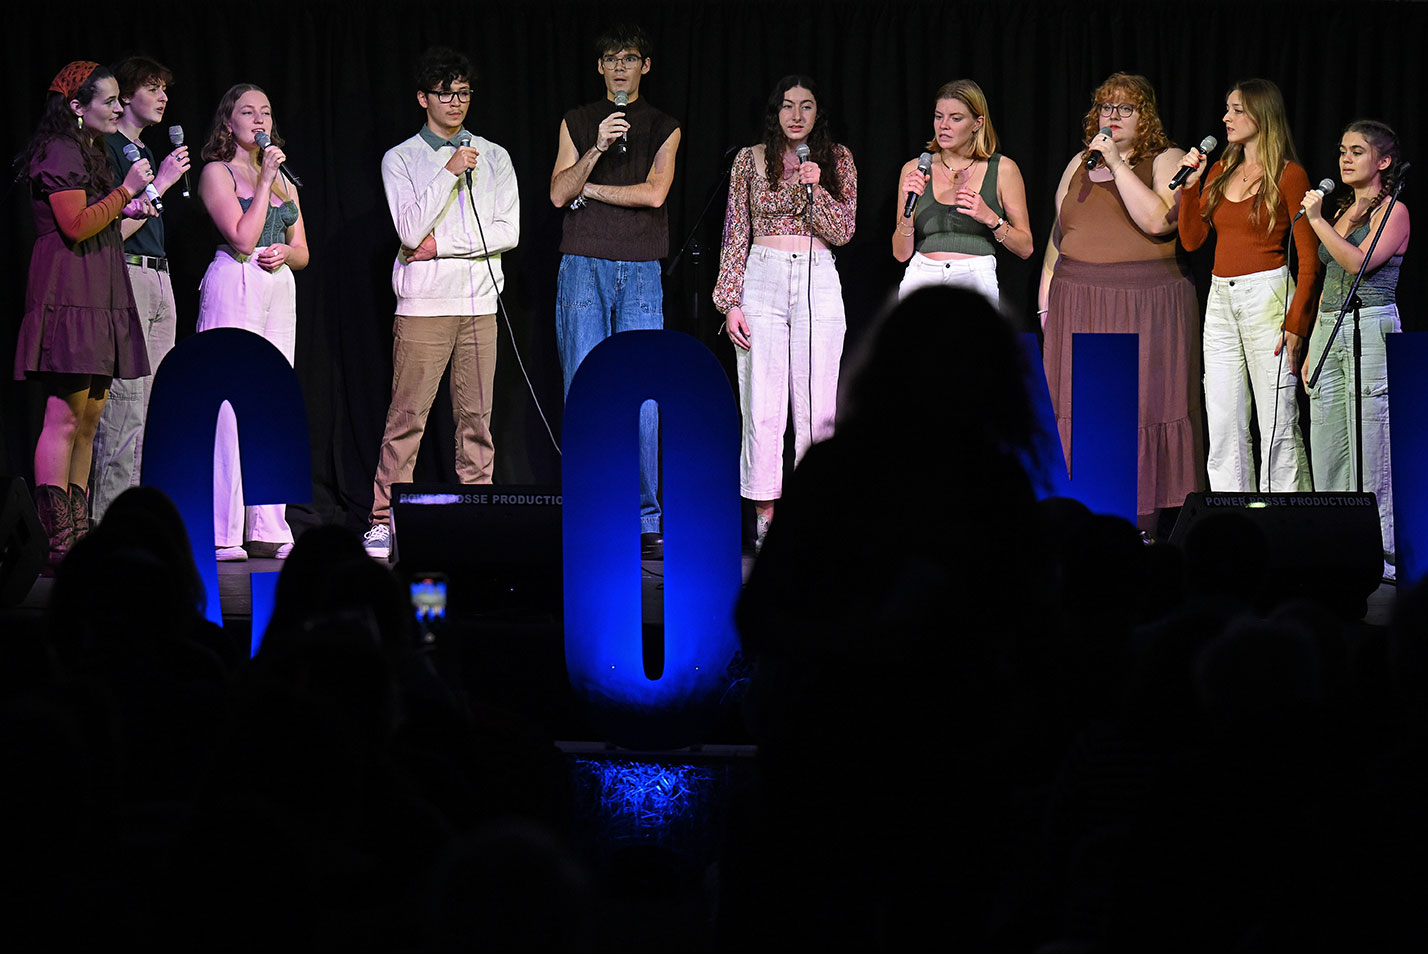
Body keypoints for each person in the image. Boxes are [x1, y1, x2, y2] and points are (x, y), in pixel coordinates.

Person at [361, 48, 519, 561]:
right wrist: (449, 171)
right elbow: (409, 230)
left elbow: (508, 232)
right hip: (423, 305)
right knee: (407, 417)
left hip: (479, 303)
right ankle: (383, 519)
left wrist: (443, 246)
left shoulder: (494, 155)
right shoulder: (401, 158)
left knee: (477, 419)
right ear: (423, 98)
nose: (457, 103)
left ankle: (476, 514)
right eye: (446, 94)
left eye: (464, 93)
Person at [1039, 72, 1200, 535]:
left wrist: (1118, 163)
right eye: (1106, 107)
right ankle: (1081, 514)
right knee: (1079, 405)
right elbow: (1060, 233)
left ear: (1145, 115)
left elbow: (1158, 220)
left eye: (1124, 108)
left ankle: (1143, 521)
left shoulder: (1168, 158)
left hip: (1145, 301)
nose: (1112, 116)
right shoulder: (1078, 163)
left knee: (1142, 405)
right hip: (1078, 299)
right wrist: (1046, 299)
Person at [15, 61, 154, 567]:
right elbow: (73, 225)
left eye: (121, 99)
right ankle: (55, 537)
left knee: (92, 412)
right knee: (66, 413)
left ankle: (76, 532)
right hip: (69, 283)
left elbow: (97, 219)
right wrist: (127, 193)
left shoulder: (88, 151)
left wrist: (126, 208)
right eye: (110, 100)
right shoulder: (59, 150)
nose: (120, 108)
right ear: (77, 108)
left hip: (98, 281)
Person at [549, 23, 680, 556]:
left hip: (642, 266)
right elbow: (559, 193)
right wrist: (595, 150)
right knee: (584, 384)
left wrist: (592, 191)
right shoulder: (577, 121)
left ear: (645, 67)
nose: (621, 66)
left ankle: (647, 515)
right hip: (583, 263)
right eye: (611, 58)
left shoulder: (665, 125)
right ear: (599, 67)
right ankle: (589, 505)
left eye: (630, 57)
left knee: (643, 392)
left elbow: (654, 195)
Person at [713, 75, 857, 550]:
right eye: (788, 106)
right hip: (764, 275)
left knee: (817, 410)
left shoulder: (836, 160)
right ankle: (766, 521)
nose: (797, 115)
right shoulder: (749, 161)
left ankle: (813, 519)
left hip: (817, 273)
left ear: (819, 114)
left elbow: (843, 231)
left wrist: (818, 190)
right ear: (775, 111)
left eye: (807, 106)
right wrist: (730, 300)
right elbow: (736, 231)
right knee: (762, 404)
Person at [1176, 79, 1320, 494]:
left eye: (1237, 109)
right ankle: (1232, 524)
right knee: (1223, 423)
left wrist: (1297, 322)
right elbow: (1191, 240)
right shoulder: (1220, 170)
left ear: (1262, 114)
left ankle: (1284, 526)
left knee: (1277, 424)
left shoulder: (1290, 175)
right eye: (1227, 109)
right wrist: (1190, 188)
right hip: (1221, 298)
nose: (1226, 117)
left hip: (1268, 297)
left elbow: (1308, 258)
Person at [196, 83, 309, 562]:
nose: (259, 119)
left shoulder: (287, 180)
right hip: (235, 281)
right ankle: (224, 530)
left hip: (278, 288)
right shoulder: (216, 173)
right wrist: (262, 180)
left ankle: (270, 524)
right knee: (228, 407)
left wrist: (287, 252)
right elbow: (242, 239)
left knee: (272, 400)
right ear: (229, 122)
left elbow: (304, 252)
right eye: (248, 112)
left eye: (265, 111)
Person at [1299, 120, 1410, 581]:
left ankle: (1381, 553)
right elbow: (1330, 273)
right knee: (1327, 445)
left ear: (1383, 161)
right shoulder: (1348, 209)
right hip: (1332, 328)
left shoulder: (1395, 212)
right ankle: (1332, 543)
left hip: (1371, 328)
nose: (1345, 158)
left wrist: (1319, 221)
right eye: (1342, 150)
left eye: (1357, 151)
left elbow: (1356, 262)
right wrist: (1313, 341)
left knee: (1371, 445)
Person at [91, 54, 192, 525]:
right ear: (125, 97)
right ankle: (106, 522)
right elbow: (107, 232)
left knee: (149, 406)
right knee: (125, 405)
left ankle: (129, 522)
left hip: (159, 276)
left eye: (165, 89)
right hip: (126, 272)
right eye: (153, 88)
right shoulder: (106, 150)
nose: (163, 97)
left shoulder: (147, 154)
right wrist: (162, 185)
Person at [891, 79, 1032, 305]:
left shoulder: (1003, 169)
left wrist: (991, 218)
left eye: (956, 118)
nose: (943, 125)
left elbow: (1025, 248)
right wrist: (909, 211)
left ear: (977, 123)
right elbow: (900, 254)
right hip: (922, 275)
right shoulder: (914, 169)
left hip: (974, 277)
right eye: (939, 116)